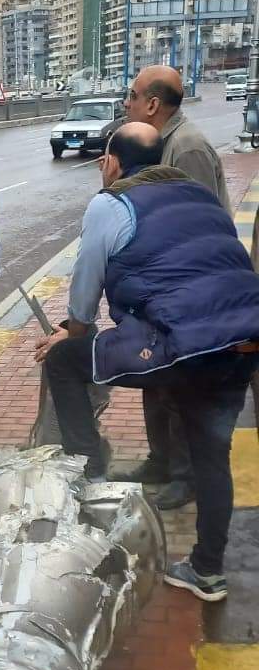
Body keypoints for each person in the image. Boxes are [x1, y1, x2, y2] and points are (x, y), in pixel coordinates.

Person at [35, 122, 259, 603]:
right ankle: (207, 571)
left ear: (113, 161)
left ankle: (91, 475)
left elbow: (84, 292)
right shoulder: (200, 196)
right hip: (241, 341)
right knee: (211, 455)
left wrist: (72, 332)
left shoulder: (111, 204)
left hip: (182, 342)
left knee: (66, 361)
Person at [122, 65, 231, 511]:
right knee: (157, 381)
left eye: (132, 96)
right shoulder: (160, 144)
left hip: (190, 292)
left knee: (182, 387)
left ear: (152, 104)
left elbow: (196, 227)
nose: (126, 103)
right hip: (163, 289)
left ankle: (185, 476)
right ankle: (161, 461)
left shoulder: (187, 148)